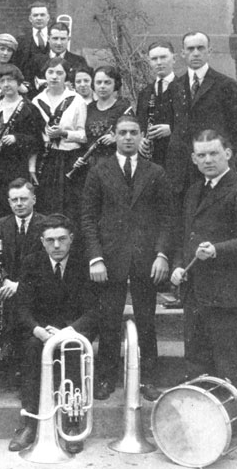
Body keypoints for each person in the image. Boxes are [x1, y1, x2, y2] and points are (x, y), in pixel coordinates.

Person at [81, 114, 175, 401]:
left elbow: (167, 218)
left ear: (142, 136)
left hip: (146, 259)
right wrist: (95, 257)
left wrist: (161, 255)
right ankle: (106, 378)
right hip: (110, 259)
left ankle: (148, 379)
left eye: (134, 132)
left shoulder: (155, 171)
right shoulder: (99, 170)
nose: (128, 138)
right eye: (122, 132)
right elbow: (87, 217)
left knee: (146, 319)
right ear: (114, 135)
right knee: (109, 319)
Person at [170, 129, 237, 396]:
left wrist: (216, 250)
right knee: (197, 365)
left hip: (227, 298)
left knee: (228, 369)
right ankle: (204, 430)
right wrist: (178, 264)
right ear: (193, 158)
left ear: (228, 154)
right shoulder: (194, 191)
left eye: (213, 153)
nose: (208, 159)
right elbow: (186, 236)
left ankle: (231, 431)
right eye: (201, 155)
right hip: (196, 295)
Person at [8, 213, 100, 453]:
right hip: (41, 331)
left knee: (72, 349)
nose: (56, 245)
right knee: (30, 348)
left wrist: (68, 331)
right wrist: (38, 330)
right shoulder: (31, 262)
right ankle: (29, 422)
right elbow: (21, 306)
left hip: (72, 330)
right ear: (41, 241)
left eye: (61, 239)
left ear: (71, 238)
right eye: (50, 240)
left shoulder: (83, 263)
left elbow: (94, 310)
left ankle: (71, 423)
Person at [169, 32, 237, 199]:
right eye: (190, 49)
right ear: (182, 53)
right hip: (182, 173)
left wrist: (222, 162)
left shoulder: (225, 84)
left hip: (213, 170)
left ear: (209, 51)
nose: (195, 53)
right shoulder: (175, 86)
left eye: (200, 48)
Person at [0, 178, 47, 369]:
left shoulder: (45, 224)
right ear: (9, 202)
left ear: (34, 200)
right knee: (9, 295)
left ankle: (10, 345)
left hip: (37, 285)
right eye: (14, 200)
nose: (19, 204)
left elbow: (45, 263)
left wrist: (20, 285)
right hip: (8, 284)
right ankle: (10, 346)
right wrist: (4, 278)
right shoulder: (0, 225)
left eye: (23, 199)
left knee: (20, 296)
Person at [30, 57, 86, 221]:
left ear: (66, 76)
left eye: (59, 73)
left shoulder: (76, 100)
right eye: (51, 72)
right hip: (46, 159)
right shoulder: (37, 101)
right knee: (46, 204)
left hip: (69, 159)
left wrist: (64, 133)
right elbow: (35, 139)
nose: (54, 77)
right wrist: (32, 167)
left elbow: (83, 136)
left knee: (69, 206)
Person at [0, 64, 42, 218]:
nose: (6, 84)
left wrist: (17, 138)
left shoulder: (29, 108)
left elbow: (38, 141)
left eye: (10, 80)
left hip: (17, 166)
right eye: (2, 81)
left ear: (18, 83)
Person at [72, 66, 132, 176]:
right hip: (91, 166)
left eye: (107, 82)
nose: (102, 86)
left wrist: (117, 138)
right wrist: (80, 158)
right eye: (98, 82)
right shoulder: (88, 108)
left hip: (116, 165)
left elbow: (133, 136)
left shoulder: (124, 108)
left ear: (115, 84)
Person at [137, 41, 178, 170]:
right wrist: (139, 140)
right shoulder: (145, 92)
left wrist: (172, 129)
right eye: (154, 59)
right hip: (150, 160)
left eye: (163, 57)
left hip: (176, 159)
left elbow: (195, 123)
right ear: (149, 62)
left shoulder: (185, 89)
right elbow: (140, 122)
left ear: (174, 59)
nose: (159, 62)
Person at [28, 21, 88, 88]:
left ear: (68, 39)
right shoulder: (36, 60)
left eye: (63, 39)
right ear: (48, 39)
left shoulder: (79, 61)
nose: (59, 43)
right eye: (55, 38)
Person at [15, 1, 50, 80]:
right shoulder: (21, 41)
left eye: (42, 15)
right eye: (35, 15)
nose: (39, 18)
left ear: (48, 18)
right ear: (30, 19)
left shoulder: (56, 37)